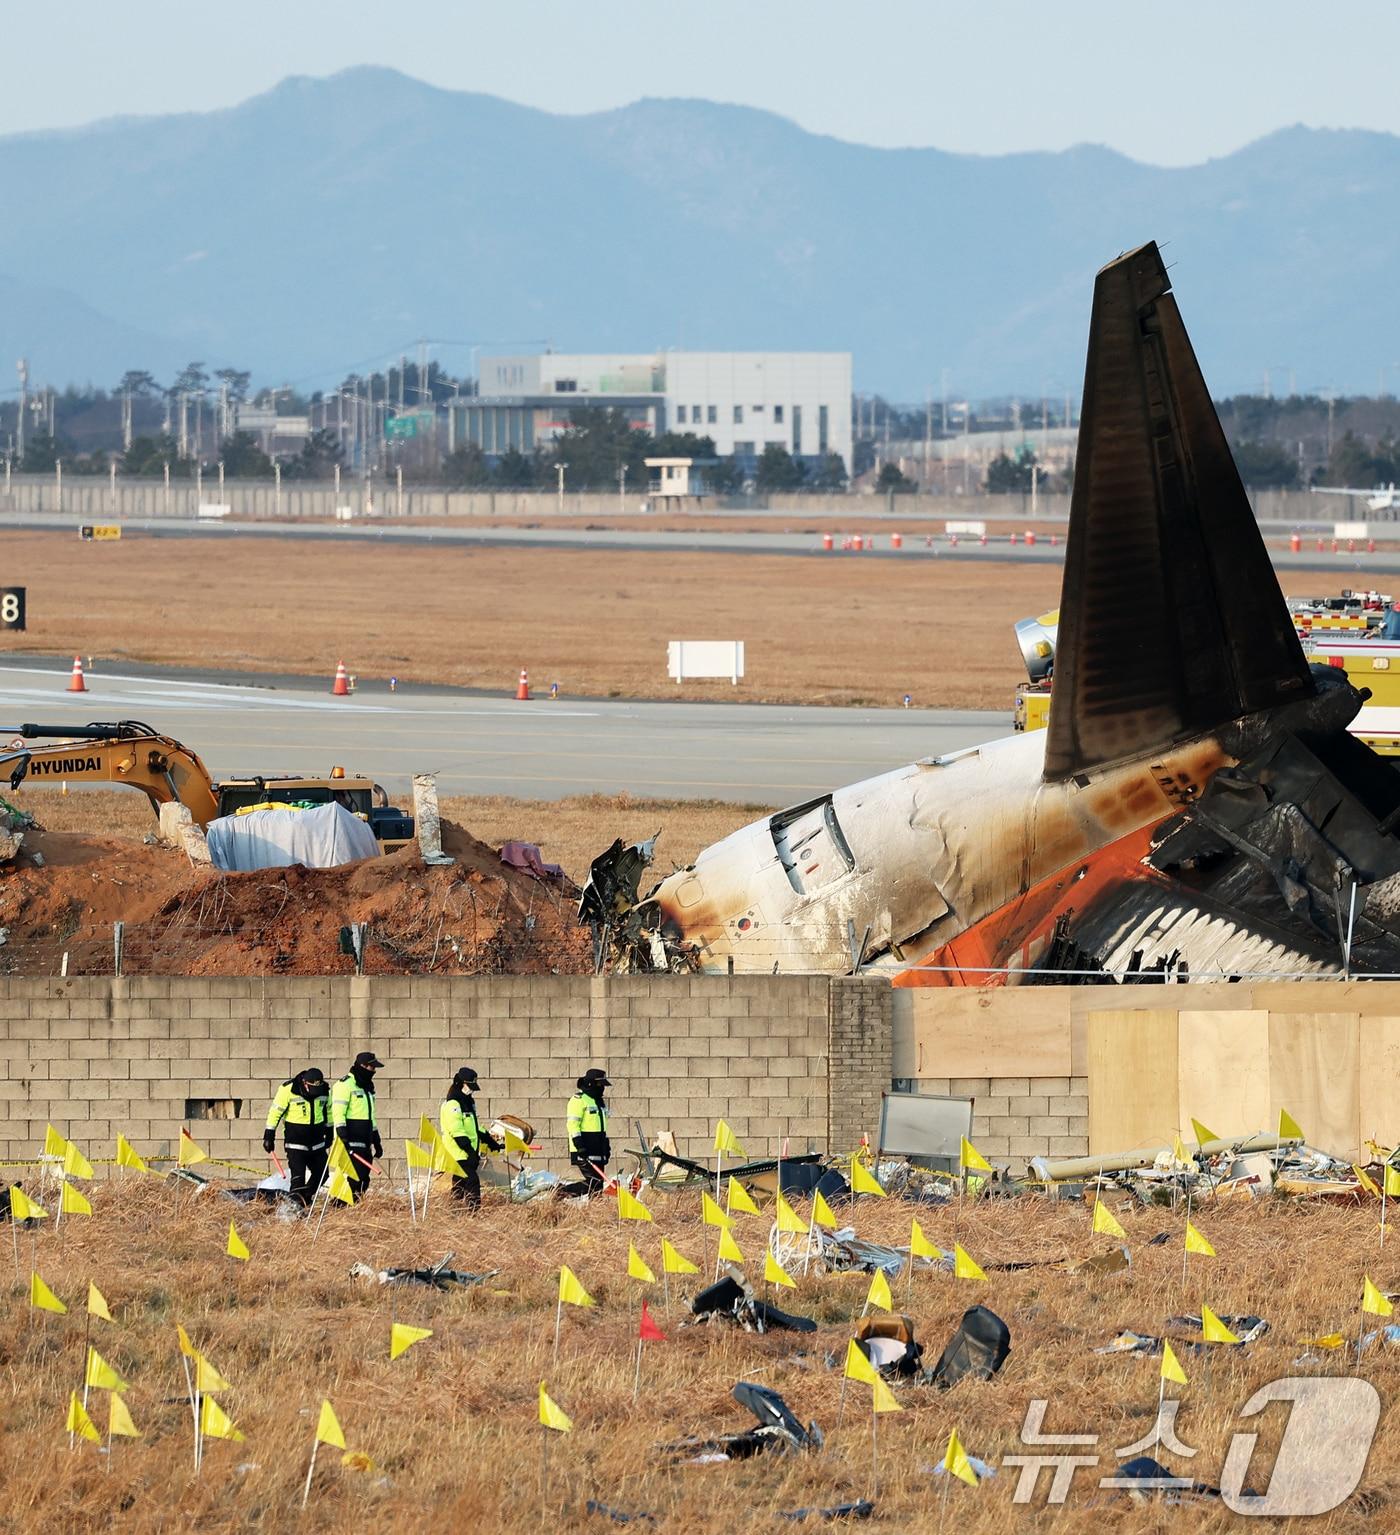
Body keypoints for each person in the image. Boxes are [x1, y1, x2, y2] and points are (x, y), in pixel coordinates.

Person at [262, 1066, 330, 1207]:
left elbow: (328, 1112)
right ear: (305, 1083)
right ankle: (294, 1208)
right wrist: (269, 1135)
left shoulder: (325, 1090)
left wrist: (330, 1132)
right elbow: (275, 1112)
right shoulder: (288, 1089)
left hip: (317, 1143)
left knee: (323, 1174)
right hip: (295, 1143)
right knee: (298, 1180)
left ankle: (304, 1199)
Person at [438, 1065, 501, 1209]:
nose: (471, 1090)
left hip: (467, 1152)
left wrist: (490, 1141)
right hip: (458, 1152)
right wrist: (470, 1152)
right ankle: (473, 1212)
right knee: (472, 1181)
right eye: (469, 1086)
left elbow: (475, 1127)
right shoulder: (453, 1104)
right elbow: (457, 1131)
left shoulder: (468, 1103)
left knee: (460, 1183)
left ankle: (455, 1209)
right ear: (460, 1083)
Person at [330, 1050, 384, 1200]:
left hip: (365, 1141)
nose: (374, 1071)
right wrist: (342, 1135)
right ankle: (341, 1206)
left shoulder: (367, 1087)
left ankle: (352, 1206)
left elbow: (370, 1116)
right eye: (372, 1067)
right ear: (363, 1066)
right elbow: (338, 1112)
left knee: (363, 1179)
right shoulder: (345, 1085)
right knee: (355, 1177)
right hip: (350, 1141)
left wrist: (376, 1140)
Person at [566, 1067, 612, 1193]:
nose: (602, 1088)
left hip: (598, 1150)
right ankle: (561, 1192)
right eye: (600, 1085)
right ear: (591, 1084)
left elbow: (601, 1127)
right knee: (593, 1183)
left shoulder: (598, 1102)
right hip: (584, 1149)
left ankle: (595, 1206)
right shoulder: (578, 1100)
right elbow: (573, 1125)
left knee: (597, 1186)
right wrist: (579, 1145)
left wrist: (606, 1146)